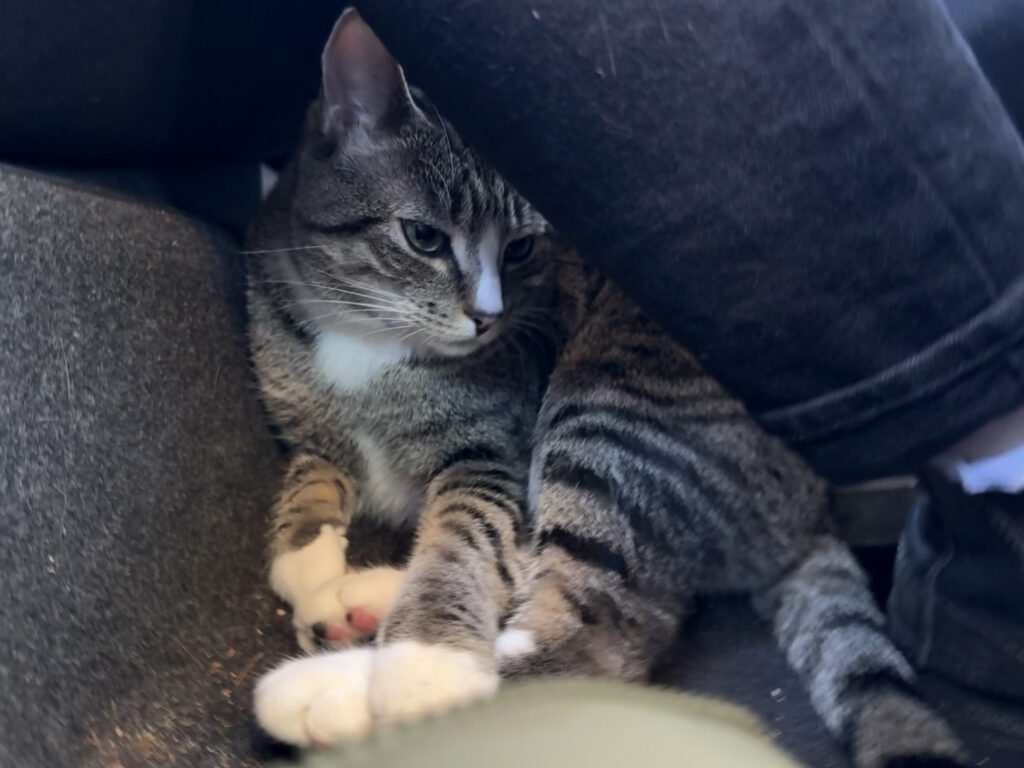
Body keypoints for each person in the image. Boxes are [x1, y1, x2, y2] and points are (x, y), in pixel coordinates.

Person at [355, 0, 1024, 706]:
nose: (486, 307)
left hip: (721, 464)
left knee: (604, 384)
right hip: (741, 494)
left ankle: (571, 639)